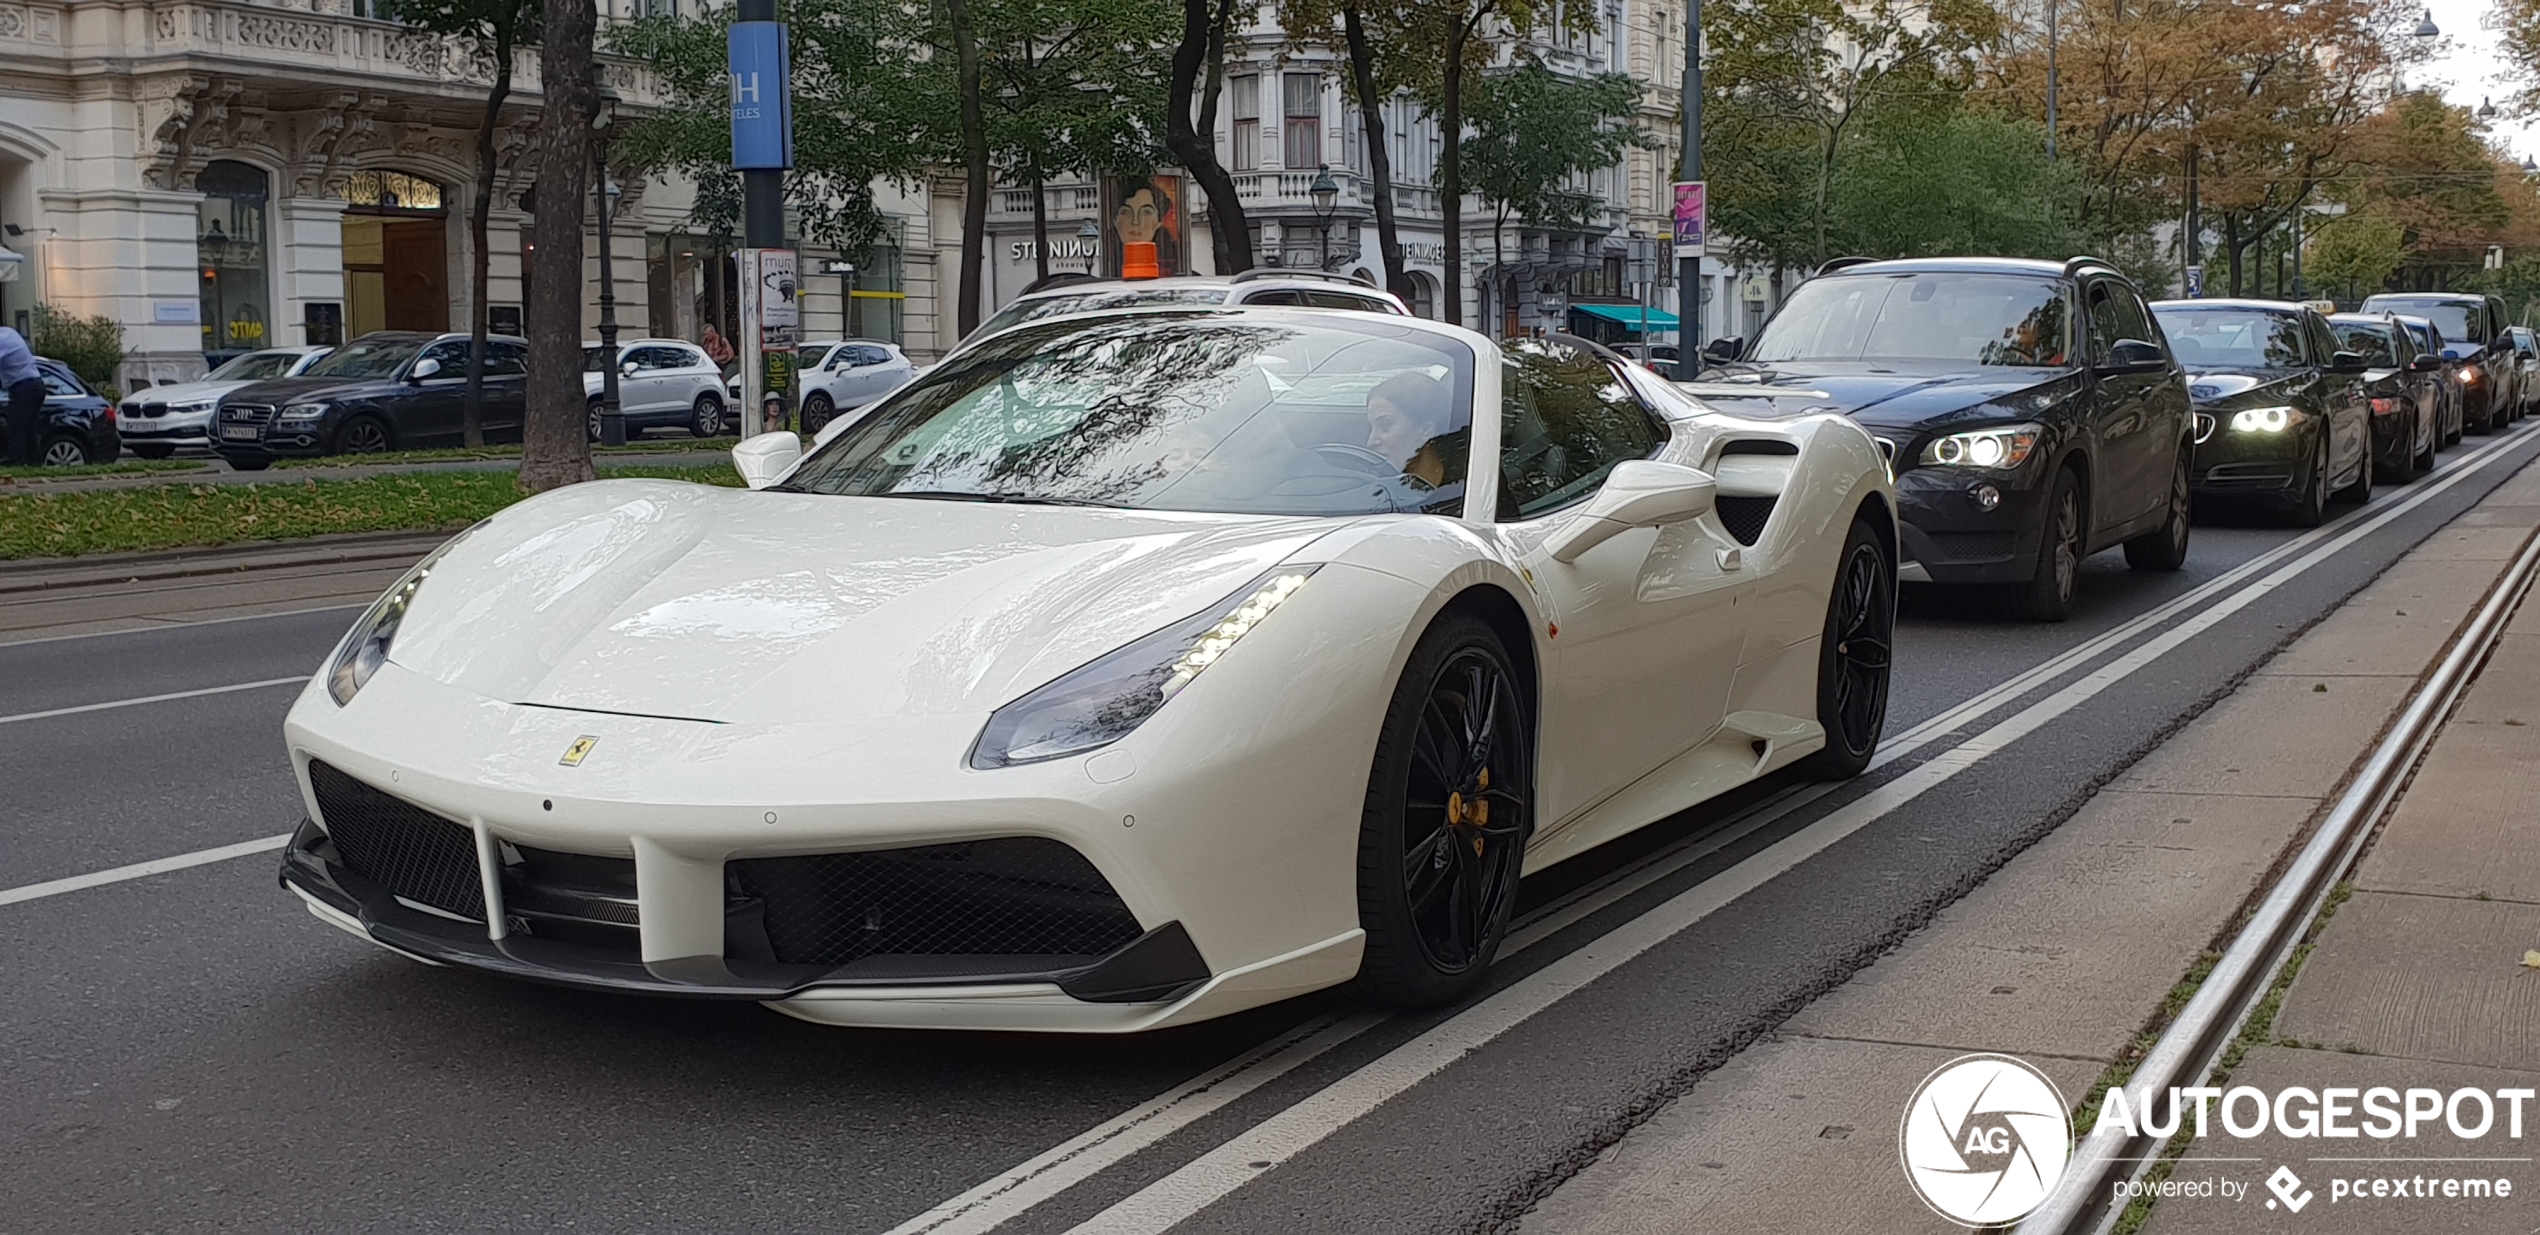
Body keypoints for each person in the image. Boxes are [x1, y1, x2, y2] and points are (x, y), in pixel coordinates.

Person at [1363, 370, 1461, 488]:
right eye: (1371, 428)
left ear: (1426, 429)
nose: (1371, 442)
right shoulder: (1375, 484)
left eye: (1385, 425)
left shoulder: (1460, 494)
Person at [0, 325, 43, 467]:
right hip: (34, 386)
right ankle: (34, 466)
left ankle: (16, 466)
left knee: (16, 429)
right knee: (29, 431)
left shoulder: (2, 339)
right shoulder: (8, 332)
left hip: (24, 387)